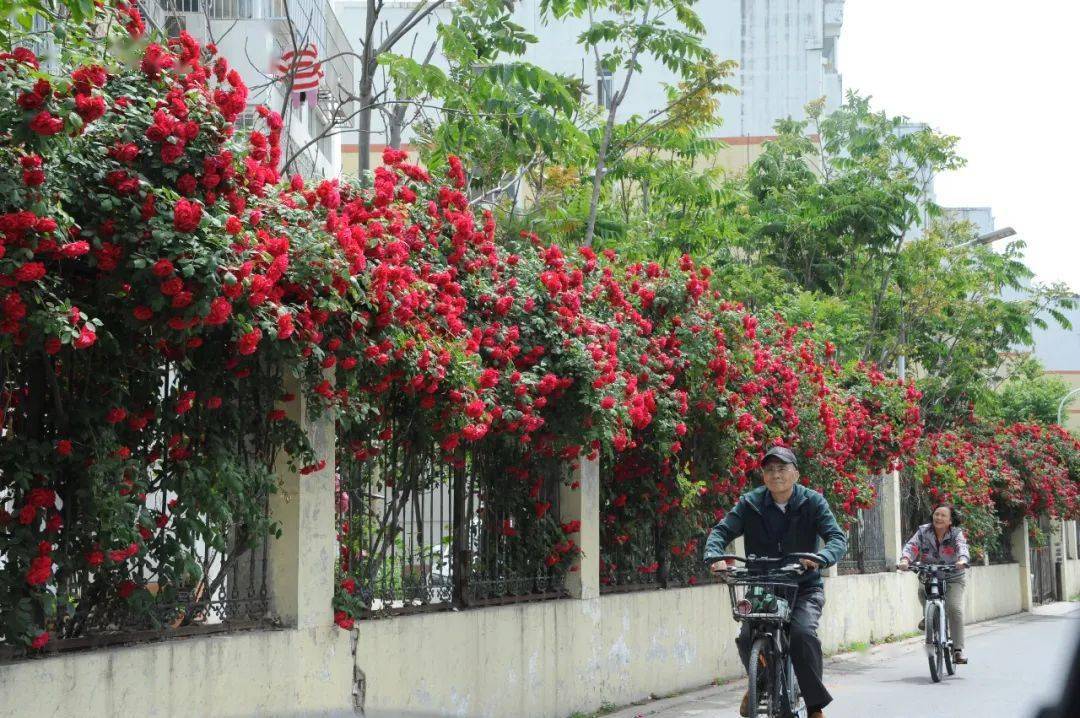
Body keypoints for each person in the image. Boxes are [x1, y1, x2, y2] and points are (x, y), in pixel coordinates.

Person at [704, 446, 848, 718]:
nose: (776, 475)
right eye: (769, 469)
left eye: (782, 469)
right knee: (747, 637)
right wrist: (715, 557)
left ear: (795, 473)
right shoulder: (750, 504)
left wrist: (821, 558)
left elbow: (837, 538)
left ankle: (814, 707)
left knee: (803, 635)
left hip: (803, 586)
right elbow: (722, 531)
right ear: (762, 475)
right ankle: (759, 680)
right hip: (763, 585)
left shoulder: (813, 502)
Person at [896, 503, 970, 664]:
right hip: (929, 573)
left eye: (943, 515)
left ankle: (958, 650)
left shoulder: (956, 533)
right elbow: (912, 546)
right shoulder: (924, 531)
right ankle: (928, 617)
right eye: (937, 514)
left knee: (954, 609)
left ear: (950, 521)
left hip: (953, 575)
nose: (939, 517)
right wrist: (905, 559)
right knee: (923, 590)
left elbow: (962, 547)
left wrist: (962, 559)